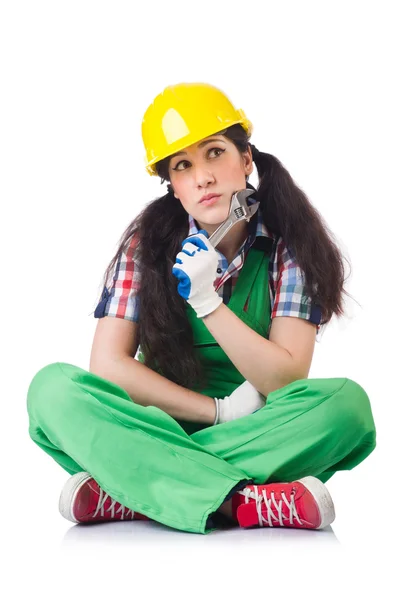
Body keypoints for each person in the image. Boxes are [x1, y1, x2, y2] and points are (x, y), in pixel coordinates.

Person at [26, 82, 377, 534]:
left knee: (347, 409)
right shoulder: (145, 244)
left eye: (214, 153)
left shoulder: (290, 247)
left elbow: (285, 378)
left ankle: (136, 488)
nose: (202, 177)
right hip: (156, 421)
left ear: (245, 158)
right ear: (172, 186)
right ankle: (241, 503)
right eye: (183, 165)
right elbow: (109, 366)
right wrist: (217, 412)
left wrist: (207, 301)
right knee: (51, 390)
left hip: (257, 430)